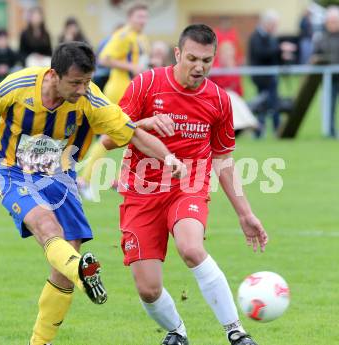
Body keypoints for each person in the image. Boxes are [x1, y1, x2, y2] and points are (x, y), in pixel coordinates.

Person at [0, 41, 186, 345]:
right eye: (75, 82)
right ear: (54, 75)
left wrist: (169, 158)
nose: (82, 89)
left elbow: (133, 134)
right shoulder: (18, 87)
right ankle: (84, 278)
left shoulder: (91, 100)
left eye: (87, 81)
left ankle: (40, 340)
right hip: (13, 172)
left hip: (61, 177)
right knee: (47, 227)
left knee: (63, 265)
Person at [102, 24, 268, 345]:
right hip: (142, 191)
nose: (199, 67)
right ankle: (177, 331)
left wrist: (245, 214)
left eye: (206, 60)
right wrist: (142, 123)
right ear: (177, 53)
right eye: (192, 58)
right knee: (148, 288)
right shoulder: (146, 84)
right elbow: (108, 139)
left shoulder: (219, 100)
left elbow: (222, 160)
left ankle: (236, 332)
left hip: (188, 185)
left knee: (191, 248)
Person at [78, 2, 150, 199]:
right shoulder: (123, 36)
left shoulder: (141, 38)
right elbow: (104, 58)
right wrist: (131, 66)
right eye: (139, 17)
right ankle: (84, 180)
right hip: (119, 91)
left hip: (134, 91)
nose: (142, 20)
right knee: (114, 137)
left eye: (145, 16)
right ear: (130, 18)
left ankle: (122, 179)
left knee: (137, 133)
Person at [248, 10, 296, 138]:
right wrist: (280, 49)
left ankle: (275, 131)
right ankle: (261, 131)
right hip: (262, 78)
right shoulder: (255, 37)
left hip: (272, 77)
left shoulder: (270, 37)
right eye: (274, 25)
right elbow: (261, 53)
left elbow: (273, 56)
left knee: (272, 105)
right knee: (263, 106)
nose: (275, 28)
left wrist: (283, 56)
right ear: (267, 23)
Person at [312, 6, 339, 138]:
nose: (332, 24)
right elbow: (315, 56)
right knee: (329, 106)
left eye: (335, 21)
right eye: (330, 21)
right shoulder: (320, 38)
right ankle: (330, 132)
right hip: (329, 80)